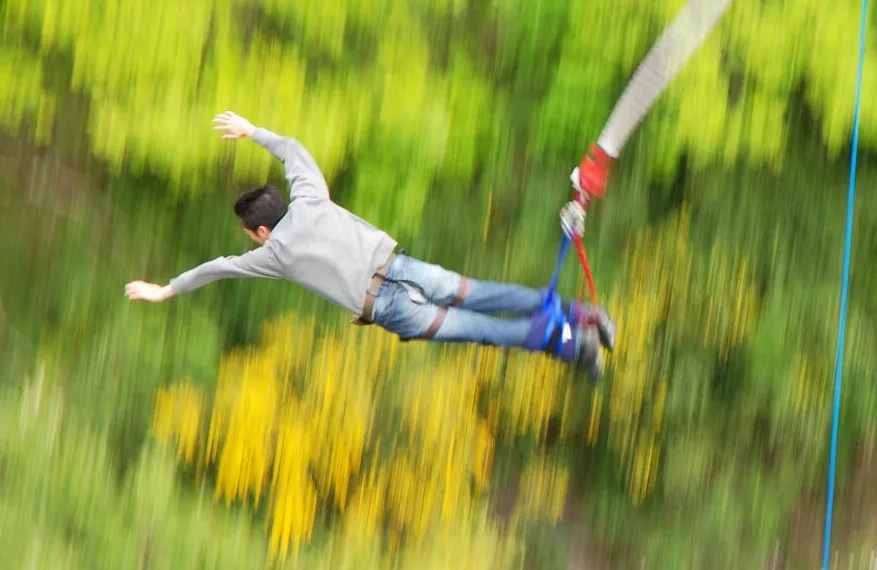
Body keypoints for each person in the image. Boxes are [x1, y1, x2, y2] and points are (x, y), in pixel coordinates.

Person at [125, 113, 615, 381]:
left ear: (261, 232)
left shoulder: (273, 254)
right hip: (406, 268)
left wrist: (166, 290)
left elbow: (217, 268)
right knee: (480, 292)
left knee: (481, 328)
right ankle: (584, 314)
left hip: (387, 306)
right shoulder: (310, 196)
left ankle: (575, 345)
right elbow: (293, 150)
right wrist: (253, 132)